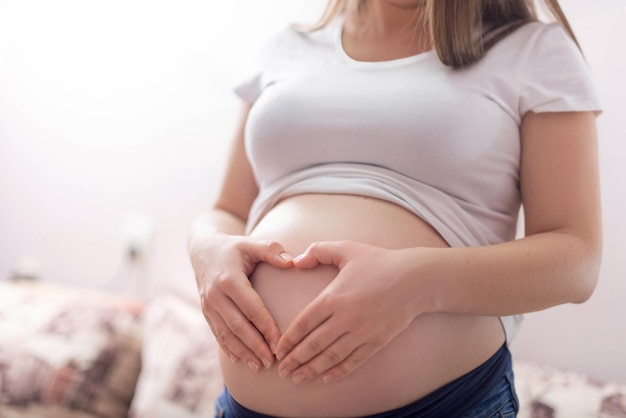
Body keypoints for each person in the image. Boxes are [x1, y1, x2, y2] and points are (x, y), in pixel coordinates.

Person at [188, 0, 602, 416]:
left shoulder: (532, 50)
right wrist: (206, 249)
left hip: (446, 405)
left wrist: (414, 285)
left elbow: (577, 260)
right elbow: (227, 210)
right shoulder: (286, 47)